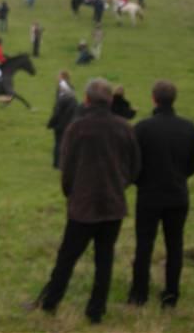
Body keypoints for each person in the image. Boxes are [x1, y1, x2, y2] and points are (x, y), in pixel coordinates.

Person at [30, 78, 141, 324]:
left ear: (87, 100)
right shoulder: (125, 128)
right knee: (105, 259)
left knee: (66, 257)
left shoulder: (77, 128)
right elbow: (135, 167)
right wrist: (119, 185)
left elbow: (66, 168)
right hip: (113, 205)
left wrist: (72, 193)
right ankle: (96, 311)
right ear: (111, 100)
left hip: (83, 205)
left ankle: (50, 303)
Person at [128, 80, 194, 309]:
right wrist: (180, 176)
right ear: (174, 99)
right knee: (175, 245)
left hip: (149, 195)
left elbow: (132, 163)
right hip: (178, 195)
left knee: (144, 244)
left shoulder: (142, 128)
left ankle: (139, 295)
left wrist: (140, 181)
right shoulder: (189, 128)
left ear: (154, 99)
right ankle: (170, 296)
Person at [46, 71, 78, 169]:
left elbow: (57, 112)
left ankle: (58, 163)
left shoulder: (62, 96)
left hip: (60, 124)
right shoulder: (72, 96)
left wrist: (51, 123)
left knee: (59, 143)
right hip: (70, 122)